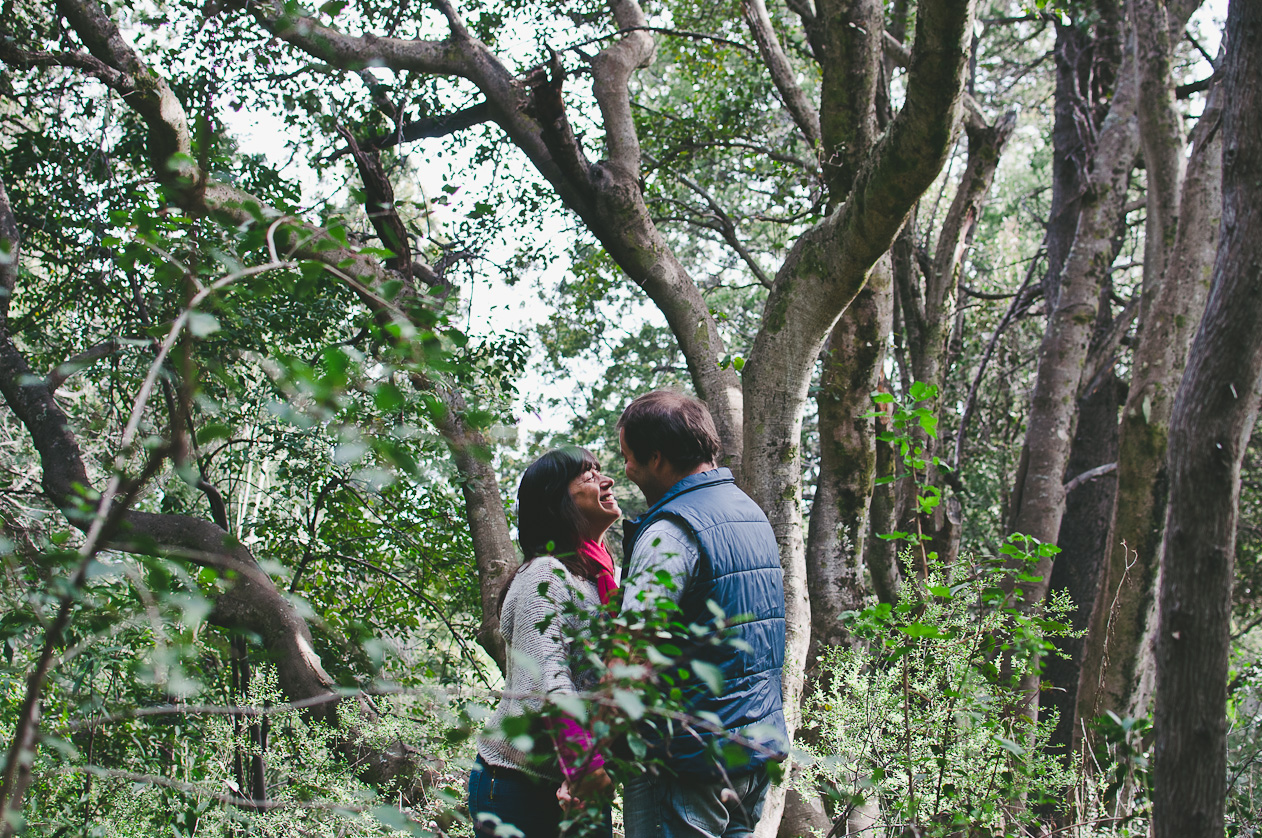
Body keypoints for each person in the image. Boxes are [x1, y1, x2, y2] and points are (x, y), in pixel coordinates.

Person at [617, 391, 788, 838]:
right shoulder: (750, 513)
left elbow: (631, 655)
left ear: (656, 458)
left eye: (629, 458)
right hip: (751, 751)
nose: (626, 471)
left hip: (684, 763)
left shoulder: (672, 532)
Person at [469, 447, 620, 838]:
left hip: (577, 781)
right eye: (589, 476)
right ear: (558, 502)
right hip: (519, 786)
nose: (607, 481)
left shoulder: (601, 577)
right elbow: (545, 681)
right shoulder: (546, 576)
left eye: (601, 471)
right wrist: (587, 769)